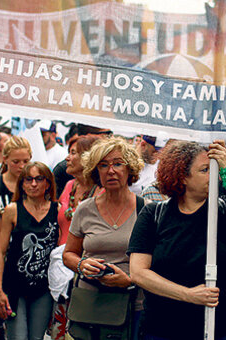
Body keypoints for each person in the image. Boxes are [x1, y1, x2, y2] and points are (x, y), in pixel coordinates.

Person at [128, 141, 226, 340]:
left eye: (214, 169)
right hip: (167, 329)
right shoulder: (154, 214)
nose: (213, 175)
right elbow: (138, 272)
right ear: (183, 176)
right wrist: (187, 294)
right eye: (205, 170)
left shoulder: (223, 210)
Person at [63, 137, 145, 340]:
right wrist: (82, 264)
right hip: (90, 304)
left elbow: (157, 262)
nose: (111, 171)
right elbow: (68, 254)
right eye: (103, 165)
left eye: (118, 163)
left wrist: (129, 280)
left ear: (130, 169)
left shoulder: (146, 210)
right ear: (95, 171)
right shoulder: (85, 209)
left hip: (132, 303)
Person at [0, 161, 59, 340]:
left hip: (43, 289)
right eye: (28, 179)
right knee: (18, 336)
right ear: (21, 183)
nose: (33, 184)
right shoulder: (12, 210)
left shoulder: (57, 210)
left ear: (48, 183)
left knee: (37, 337)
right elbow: (0, 252)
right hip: (14, 286)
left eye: (39, 179)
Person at [58, 135, 101, 238]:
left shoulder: (102, 192)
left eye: (73, 153)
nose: (67, 158)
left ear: (88, 157)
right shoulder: (69, 186)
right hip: (60, 252)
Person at [0, 136, 30, 211]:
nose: (22, 166)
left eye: (25, 161)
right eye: (16, 162)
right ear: (5, 159)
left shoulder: (36, 183)